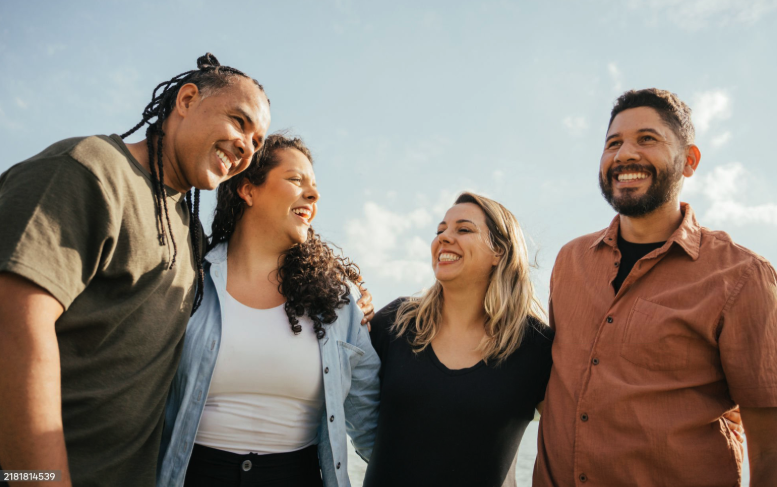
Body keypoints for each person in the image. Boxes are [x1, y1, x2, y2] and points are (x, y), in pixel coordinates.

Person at [0, 54, 272, 487]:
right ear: (186, 99)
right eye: (239, 122)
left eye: (257, 143)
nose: (247, 147)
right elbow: (13, 325)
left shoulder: (189, 231)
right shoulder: (87, 169)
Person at [534, 88, 777, 486]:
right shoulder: (570, 262)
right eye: (613, 143)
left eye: (647, 139)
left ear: (689, 161)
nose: (624, 154)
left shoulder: (743, 277)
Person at [157, 133, 380, 487]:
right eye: (296, 180)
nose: (314, 194)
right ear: (247, 190)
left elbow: (370, 422)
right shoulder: (189, 280)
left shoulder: (337, 303)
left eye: (315, 186)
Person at [364, 192, 553, 487]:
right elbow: (340, 399)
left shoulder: (536, 346)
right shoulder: (395, 323)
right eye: (440, 231)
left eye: (463, 229)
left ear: (499, 252)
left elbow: (573, 439)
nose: (444, 238)